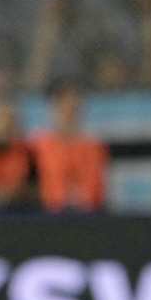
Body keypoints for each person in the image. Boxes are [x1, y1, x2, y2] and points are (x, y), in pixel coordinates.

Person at [30, 82, 108, 212]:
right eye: (63, 104)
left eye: (74, 106)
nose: (68, 110)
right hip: (46, 215)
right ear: (54, 107)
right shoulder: (39, 144)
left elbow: (95, 187)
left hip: (85, 216)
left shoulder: (93, 146)